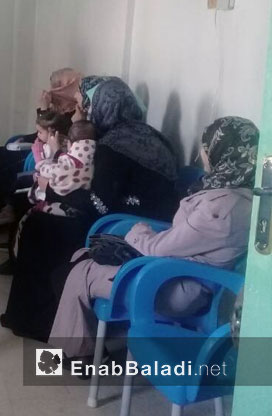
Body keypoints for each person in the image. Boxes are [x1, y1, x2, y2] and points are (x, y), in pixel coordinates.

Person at [49, 116, 257, 360]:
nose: (202, 154)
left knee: (80, 272)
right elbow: (181, 240)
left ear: (225, 152)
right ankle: (83, 348)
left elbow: (159, 248)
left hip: (174, 285)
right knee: (82, 256)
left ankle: (75, 355)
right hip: (171, 270)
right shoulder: (229, 191)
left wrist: (138, 230)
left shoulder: (224, 209)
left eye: (207, 147)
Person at [0, 76, 178, 343]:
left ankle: (39, 321)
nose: (84, 112)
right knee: (42, 218)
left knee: (42, 227)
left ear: (103, 107)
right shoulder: (145, 134)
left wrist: (50, 189)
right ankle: (33, 314)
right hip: (142, 218)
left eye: (87, 106)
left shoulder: (112, 146)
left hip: (130, 225)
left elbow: (101, 202)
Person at [0, 68, 82, 228]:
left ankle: (2, 213)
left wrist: (42, 109)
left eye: (58, 85)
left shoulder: (76, 113)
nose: (54, 89)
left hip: (49, 156)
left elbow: (53, 133)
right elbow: (39, 132)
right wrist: (25, 138)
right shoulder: (60, 107)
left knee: (1, 160)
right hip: (40, 148)